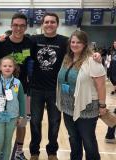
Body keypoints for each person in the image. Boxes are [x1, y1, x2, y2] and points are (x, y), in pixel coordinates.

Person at [29, 12, 101, 160]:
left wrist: (95, 54)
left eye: (52, 22)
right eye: (46, 22)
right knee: (35, 121)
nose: (49, 24)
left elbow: (80, 49)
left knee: (55, 123)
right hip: (35, 89)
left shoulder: (65, 41)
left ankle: (52, 151)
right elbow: (18, 45)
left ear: (57, 24)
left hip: (56, 91)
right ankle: (34, 151)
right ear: (42, 24)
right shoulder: (33, 40)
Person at [56, 30, 107, 160]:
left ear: (85, 44)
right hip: (68, 107)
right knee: (73, 139)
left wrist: (102, 105)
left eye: (79, 42)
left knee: (88, 140)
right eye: (73, 42)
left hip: (87, 108)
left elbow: (101, 85)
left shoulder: (92, 61)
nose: (75, 44)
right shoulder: (67, 58)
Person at [0, 13, 32, 160]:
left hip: (23, 90)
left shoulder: (30, 43)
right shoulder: (1, 43)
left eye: (22, 25)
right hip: (2, 92)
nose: (18, 28)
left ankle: (18, 152)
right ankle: (2, 150)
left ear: (26, 27)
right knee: (3, 121)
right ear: (11, 26)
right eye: (15, 25)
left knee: (22, 123)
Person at [0, 56, 25, 160]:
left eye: (10, 66)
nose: (7, 68)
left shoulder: (17, 83)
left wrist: (21, 116)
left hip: (12, 117)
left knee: (8, 142)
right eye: (5, 66)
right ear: (0, 67)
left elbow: (21, 101)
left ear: (14, 68)